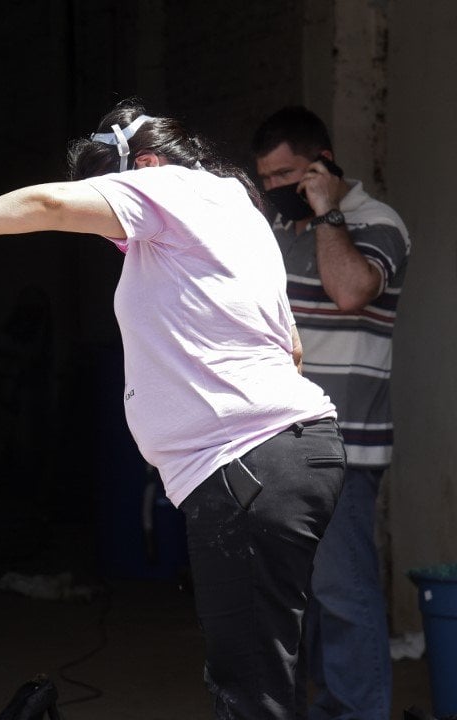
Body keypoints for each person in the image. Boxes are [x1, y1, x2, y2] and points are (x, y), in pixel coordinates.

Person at [0, 99, 346, 720]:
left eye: (109, 200)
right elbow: (290, 348)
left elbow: (48, 204)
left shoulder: (174, 188)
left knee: (250, 688)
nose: (110, 232)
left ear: (147, 166)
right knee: (267, 673)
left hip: (248, 465)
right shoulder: (233, 212)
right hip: (281, 458)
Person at [252, 106, 411, 720]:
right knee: (294, 599)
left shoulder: (378, 222)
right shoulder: (278, 229)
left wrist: (325, 212)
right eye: (266, 178)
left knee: (344, 593)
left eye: (286, 174)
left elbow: (350, 292)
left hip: (346, 442)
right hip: (279, 439)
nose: (275, 188)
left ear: (321, 164)